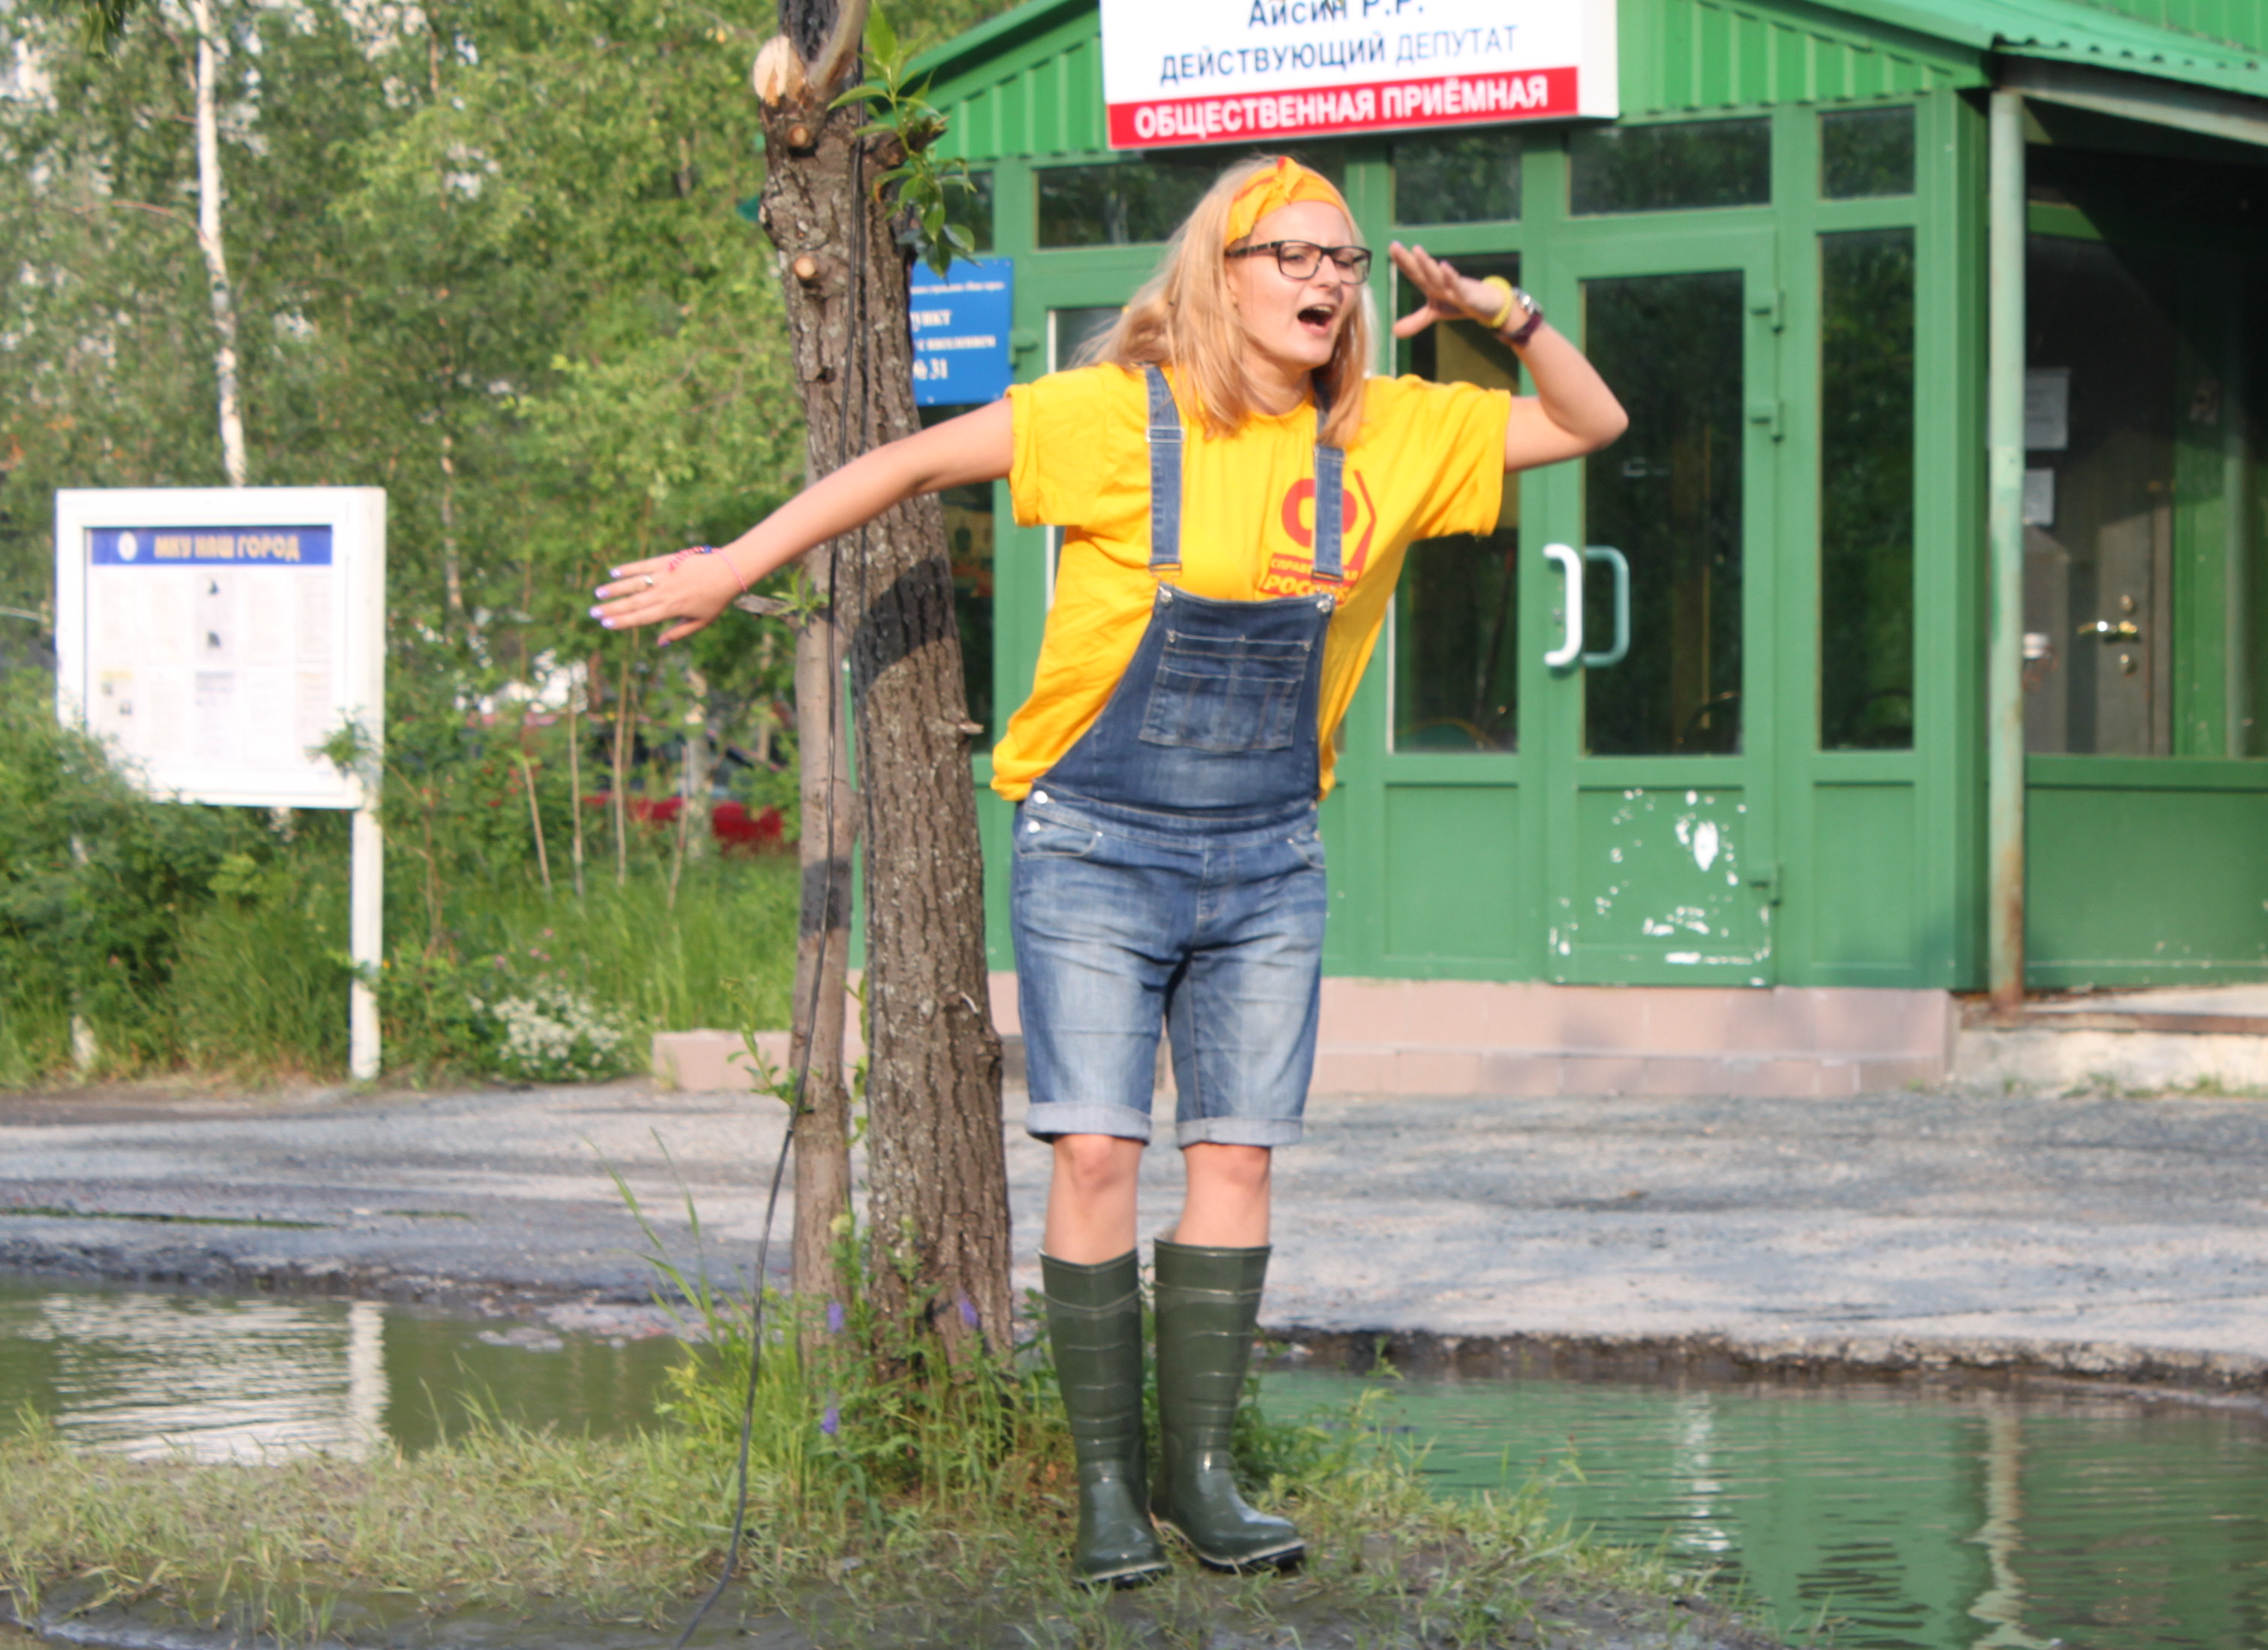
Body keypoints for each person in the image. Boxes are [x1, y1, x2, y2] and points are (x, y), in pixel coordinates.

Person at [592, 154, 1627, 1578]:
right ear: (1222, 276)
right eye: (1294, 256)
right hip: (1094, 843)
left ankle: (1202, 1481)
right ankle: (1101, 1490)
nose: (1328, 279)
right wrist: (729, 565)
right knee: (1093, 1149)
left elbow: (1592, 419)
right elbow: (907, 463)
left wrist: (1494, 311)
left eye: (1343, 257)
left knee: (1240, 1161)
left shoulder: (1395, 432)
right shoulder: (1115, 418)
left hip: (1269, 858)